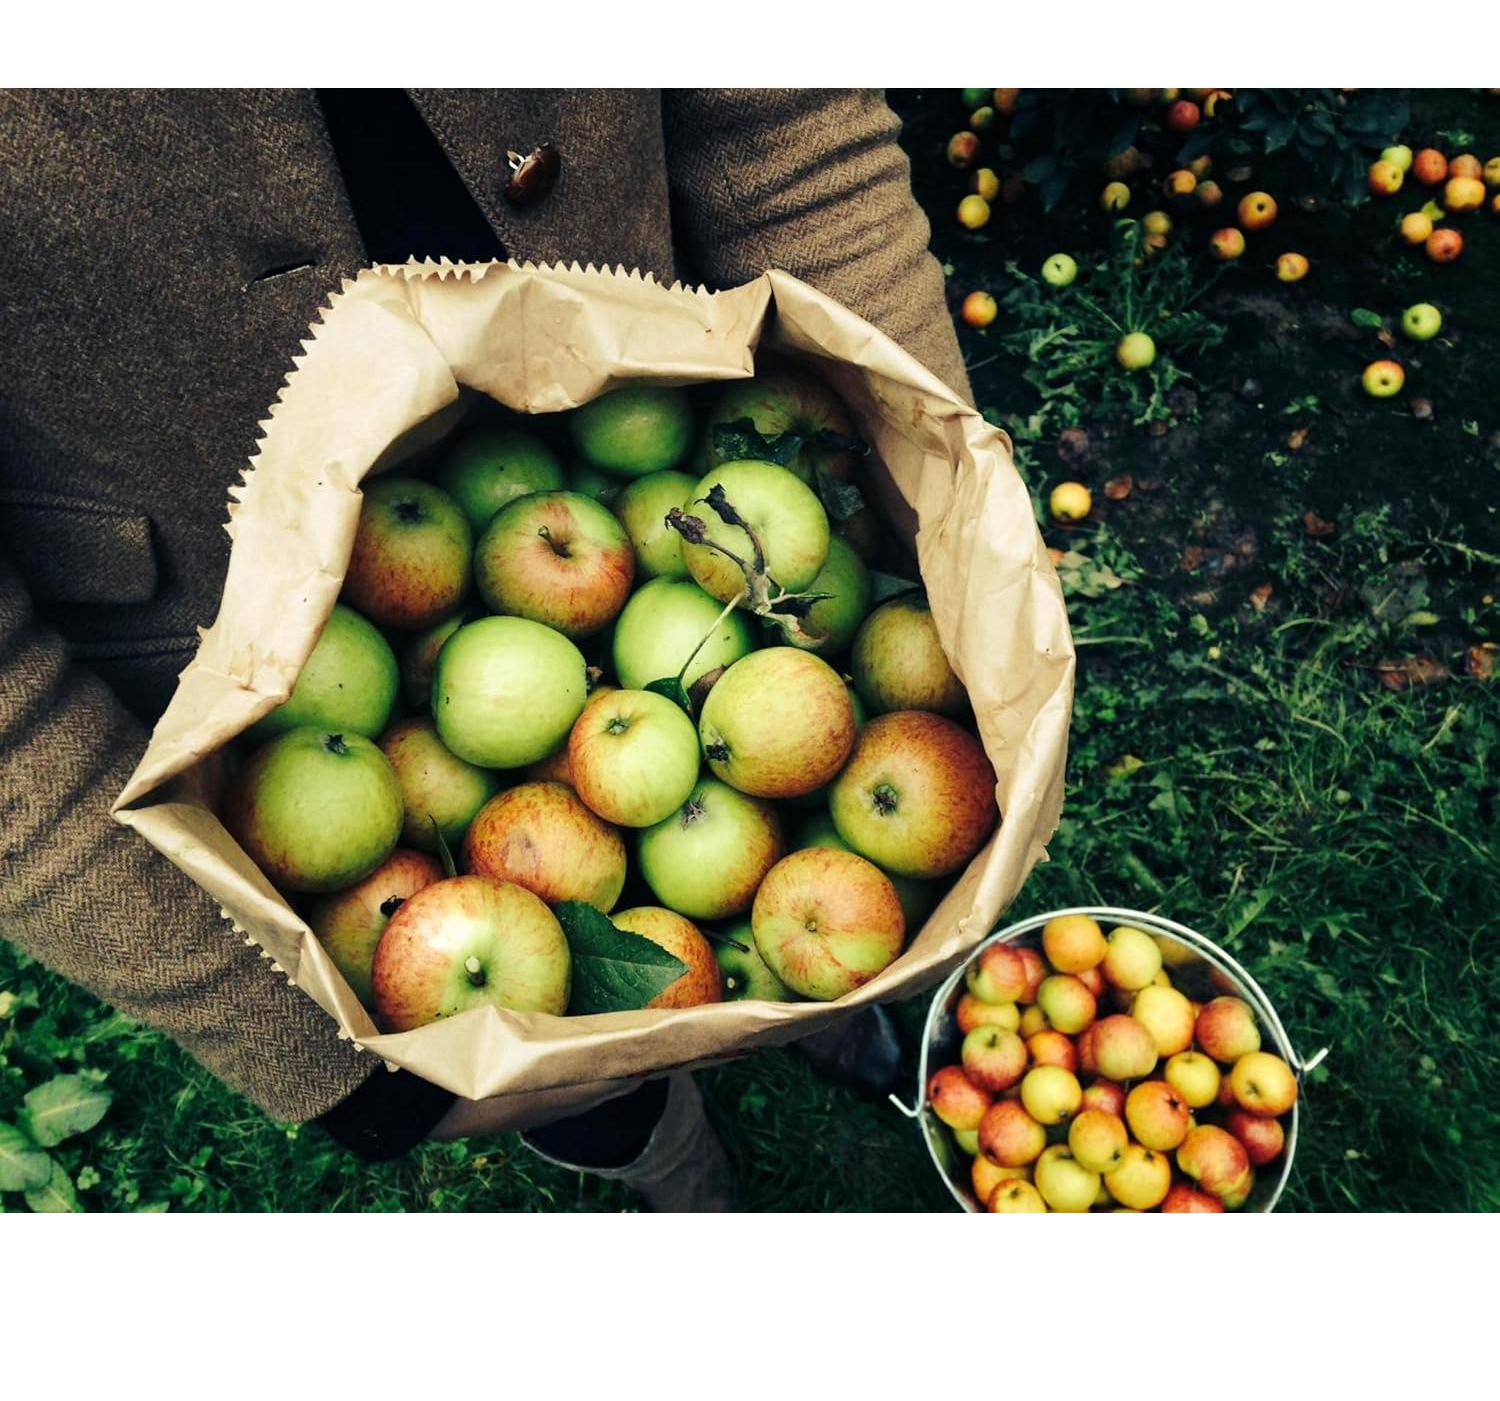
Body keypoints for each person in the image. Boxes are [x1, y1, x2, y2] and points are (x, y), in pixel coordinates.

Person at [0, 89, 973, 1210]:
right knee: (548, 1044)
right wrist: (310, 1052)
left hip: (633, 442)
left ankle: (824, 995)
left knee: (789, 890)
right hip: (249, 639)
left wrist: (947, 490)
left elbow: (782, 117)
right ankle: (661, 1156)